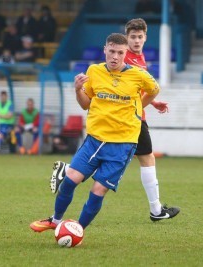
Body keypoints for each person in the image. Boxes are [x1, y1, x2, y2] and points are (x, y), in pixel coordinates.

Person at [48, 18, 180, 222]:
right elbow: (104, 95)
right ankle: (155, 210)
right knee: (147, 159)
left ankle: (155, 209)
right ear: (123, 41)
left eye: (140, 37)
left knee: (145, 159)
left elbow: (136, 89)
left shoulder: (139, 59)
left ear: (145, 38)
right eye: (133, 37)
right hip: (127, 122)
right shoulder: (118, 63)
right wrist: (140, 107)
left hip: (127, 123)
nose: (136, 41)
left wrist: (150, 103)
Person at [30, 33, 160, 233]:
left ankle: (77, 230)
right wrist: (77, 90)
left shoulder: (138, 75)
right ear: (105, 50)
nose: (115, 56)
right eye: (112, 51)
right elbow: (85, 105)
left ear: (126, 53)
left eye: (120, 52)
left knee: (97, 190)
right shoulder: (94, 71)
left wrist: (139, 108)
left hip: (122, 145)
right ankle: (55, 221)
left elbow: (154, 90)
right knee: (69, 180)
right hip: (94, 140)